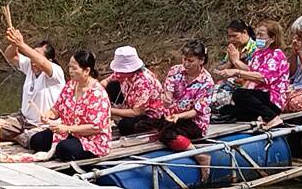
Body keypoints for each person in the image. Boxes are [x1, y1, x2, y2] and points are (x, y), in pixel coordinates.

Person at [128, 40, 215, 179]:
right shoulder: (175, 70)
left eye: (190, 61)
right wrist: (167, 99)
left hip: (193, 121)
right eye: (184, 59)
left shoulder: (207, 82)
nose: (186, 64)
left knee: (167, 133)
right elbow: (168, 91)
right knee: (138, 125)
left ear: (201, 60)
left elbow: (197, 111)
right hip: (171, 115)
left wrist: (179, 117)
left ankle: (199, 156)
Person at [27, 50, 112, 162]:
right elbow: (57, 109)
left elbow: (95, 128)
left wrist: (67, 128)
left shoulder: (98, 93)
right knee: (36, 141)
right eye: (69, 67)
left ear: (86, 70)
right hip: (68, 133)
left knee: (64, 149)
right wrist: (48, 115)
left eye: (74, 68)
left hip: (91, 138)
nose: (70, 71)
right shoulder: (70, 86)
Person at [0, 28, 64, 148]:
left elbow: (42, 63)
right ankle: (17, 135)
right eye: (32, 57)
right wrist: (14, 44)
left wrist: (22, 44)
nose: (33, 61)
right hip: (23, 120)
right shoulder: (29, 65)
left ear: (49, 60)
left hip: (42, 126)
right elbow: (10, 56)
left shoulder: (55, 72)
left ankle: (19, 138)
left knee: (31, 140)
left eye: (36, 57)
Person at [213, 20, 289, 127]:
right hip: (258, 96)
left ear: (272, 38)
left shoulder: (276, 55)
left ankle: (272, 117)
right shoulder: (258, 53)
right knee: (226, 110)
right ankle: (259, 117)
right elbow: (251, 70)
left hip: (272, 97)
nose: (257, 37)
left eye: (261, 35)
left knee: (239, 94)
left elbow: (262, 78)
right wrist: (235, 62)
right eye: (257, 34)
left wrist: (237, 72)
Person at [102, 46, 166, 136]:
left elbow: (136, 112)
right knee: (112, 86)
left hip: (148, 114)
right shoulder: (122, 74)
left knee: (125, 125)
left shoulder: (143, 83)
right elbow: (106, 81)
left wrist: (109, 110)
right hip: (129, 101)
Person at [211, 19, 257, 109]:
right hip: (229, 84)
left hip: (247, 86)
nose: (231, 39)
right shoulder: (233, 48)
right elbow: (218, 70)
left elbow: (255, 72)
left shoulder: (255, 48)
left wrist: (236, 61)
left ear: (244, 32)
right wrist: (230, 61)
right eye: (229, 37)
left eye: (235, 36)